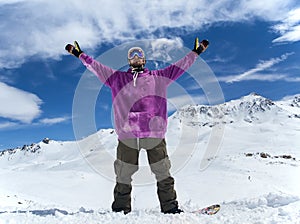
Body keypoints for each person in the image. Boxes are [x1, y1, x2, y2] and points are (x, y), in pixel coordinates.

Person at [65, 38, 209, 214]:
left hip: (154, 133)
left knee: (162, 172)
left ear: (144, 60)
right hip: (127, 134)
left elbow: (180, 66)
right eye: (132, 55)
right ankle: (120, 210)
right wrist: (80, 54)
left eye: (139, 54)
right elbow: (96, 67)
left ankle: (170, 208)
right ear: (129, 60)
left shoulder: (159, 78)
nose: (135, 57)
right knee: (123, 174)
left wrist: (196, 52)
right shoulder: (116, 79)